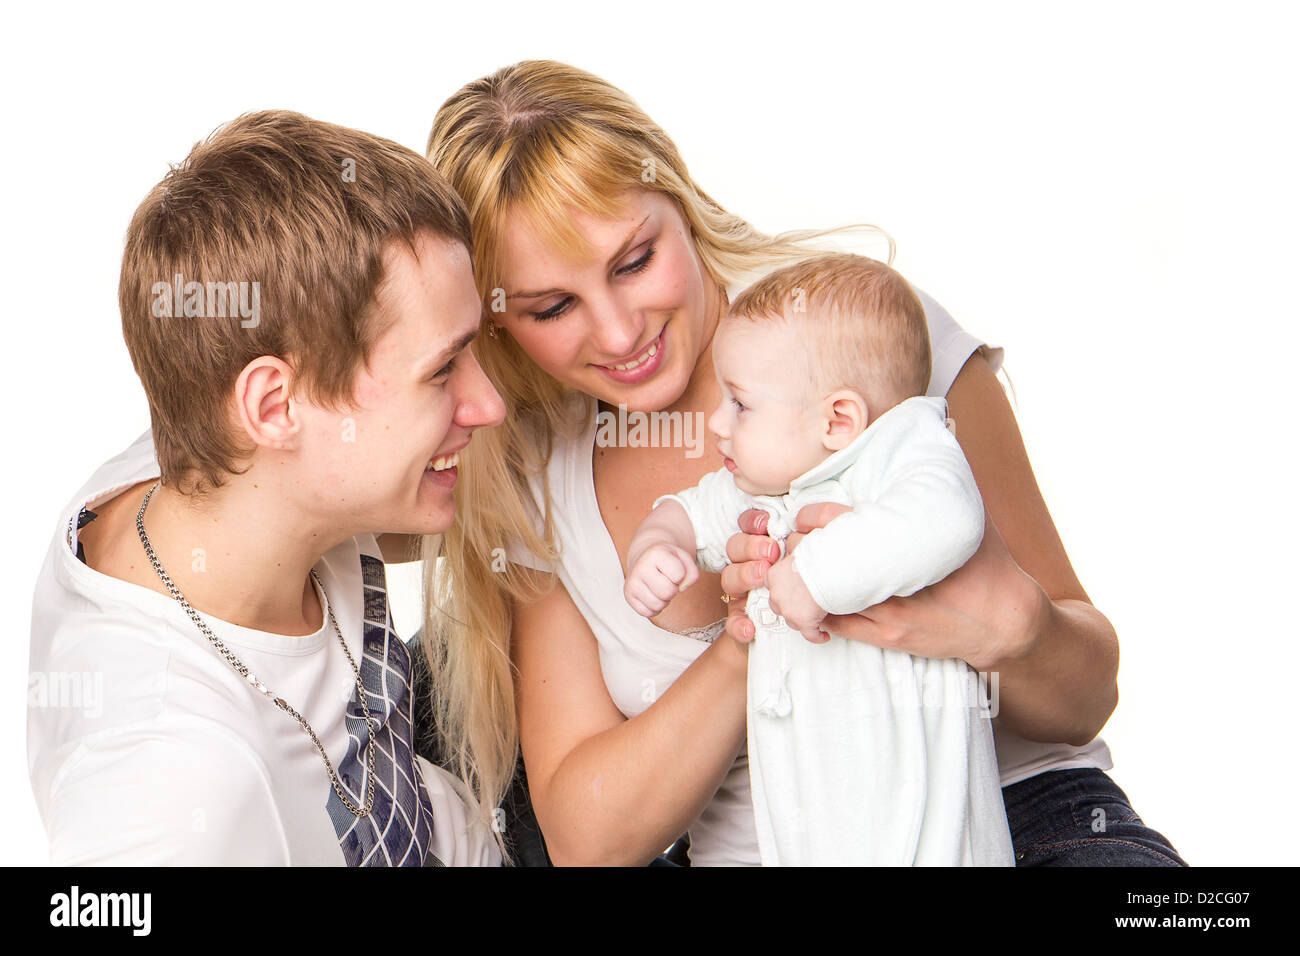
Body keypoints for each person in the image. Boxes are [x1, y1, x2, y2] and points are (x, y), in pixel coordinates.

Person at [421, 59, 1187, 866]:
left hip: (1007, 818)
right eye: (553, 307)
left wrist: (1013, 624)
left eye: (635, 261)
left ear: (681, 204)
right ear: (497, 321)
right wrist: (751, 633)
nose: (618, 334)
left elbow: (1084, 698)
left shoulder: (865, 340)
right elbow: (590, 839)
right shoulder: (532, 484)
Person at [27, 110, 505, 866]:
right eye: (443, 372)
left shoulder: (210, 459)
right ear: (275, 407)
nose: (490, 405)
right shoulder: (173, 782)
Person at [623, 253, 1012, 865]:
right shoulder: (768, 484)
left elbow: (949, 515)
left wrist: (817, 576)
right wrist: (655, 546)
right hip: (811, 828)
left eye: (740, 404)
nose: (717, 424)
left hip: (930, 835)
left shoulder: (900, 452)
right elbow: (688, 511)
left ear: (838, 418)